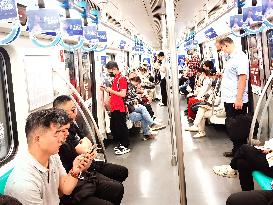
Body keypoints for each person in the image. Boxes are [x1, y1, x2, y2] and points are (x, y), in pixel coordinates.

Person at [5, 108, 94, 205]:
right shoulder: (24, 184)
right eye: (57, 132)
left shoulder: (52, 156)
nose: (64, 137)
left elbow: (65, 188)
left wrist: (76, 170)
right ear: (38, 139)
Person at [53, 95, 126, 205]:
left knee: (118, 183)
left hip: (84, 169)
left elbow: (87, 141)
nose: (66, 134)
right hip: (79, 175)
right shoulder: (57, 146)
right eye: (72, 110)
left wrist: (85, 149)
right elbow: (66, 189)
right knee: (114, 188)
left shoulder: (71, 126)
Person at [212, 36, 250, 176]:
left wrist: (239, 99)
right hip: (229, 99)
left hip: (236, 100)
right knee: (233, 129)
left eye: (222, 48)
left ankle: (236, 167)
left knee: (238, 132)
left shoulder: (240, 57)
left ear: (226, 45)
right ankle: (236, 152)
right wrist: (222, 75)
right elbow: (233, 76)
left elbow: (242, 78)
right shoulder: (231, 58)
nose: (222, 51)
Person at [101, 61, 130, 155]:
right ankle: (120, 142)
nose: (110, 73)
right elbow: (114, 91)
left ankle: (125, 144)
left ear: (114, 69)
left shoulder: (122, 79)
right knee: (114, 126)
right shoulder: (116, 78)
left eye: (110, 71)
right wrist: (106, 89)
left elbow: (123, 94)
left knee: (121, 126)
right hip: (114, 106)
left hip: (120, 106)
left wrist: (111, 90)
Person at [127, 76, 166, 140]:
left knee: (143, 108)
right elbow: (132, 97)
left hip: (131, 107)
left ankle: (151, 126)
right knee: (144, 110)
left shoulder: (130, 87)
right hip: (129, 109)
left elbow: (133, 96)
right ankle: (150, 127)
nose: (138, 85)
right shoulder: (129, 87)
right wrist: (138, 97)